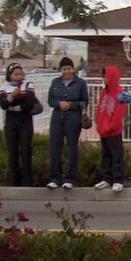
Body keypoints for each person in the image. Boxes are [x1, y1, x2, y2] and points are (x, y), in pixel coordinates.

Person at [47, 56, 88, 189]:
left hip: (73, 117)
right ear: (61, 70)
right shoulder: (55, 82)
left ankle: (69, 178)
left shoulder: (80, 83)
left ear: (73, 69)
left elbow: (84, 101)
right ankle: (55, 178)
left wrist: (71, 105)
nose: (66, 71)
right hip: (57, 117)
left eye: (69, 68)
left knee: (72, 148)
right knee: (54, 147)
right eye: (64, 69)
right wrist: (59, 104)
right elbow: (50, 100)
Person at [0, 62, 38, 186]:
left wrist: (15, 105)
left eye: (20, 74)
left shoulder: (28, 84)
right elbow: (3, 104)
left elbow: (30, 102)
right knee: (12, 151)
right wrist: (13, 97)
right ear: (10, 75)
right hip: (11, 121)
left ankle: (28, 182)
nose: (18, 77)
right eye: (15, 74)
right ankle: (14, 182)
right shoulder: (4, 87)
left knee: (26, 150)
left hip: (25, 120)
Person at [94, 66, 128, 192]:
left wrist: (110, 126)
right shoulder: (104, 92)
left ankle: (118, 180)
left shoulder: (120, 93)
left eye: (107, 76)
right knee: (105, 155)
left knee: (116, 155)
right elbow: (99, 109)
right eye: (104, 76)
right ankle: (106, 178)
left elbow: (119, 112)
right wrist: (99, 124)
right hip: (103, 131)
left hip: (114, 131)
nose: (105, 79)